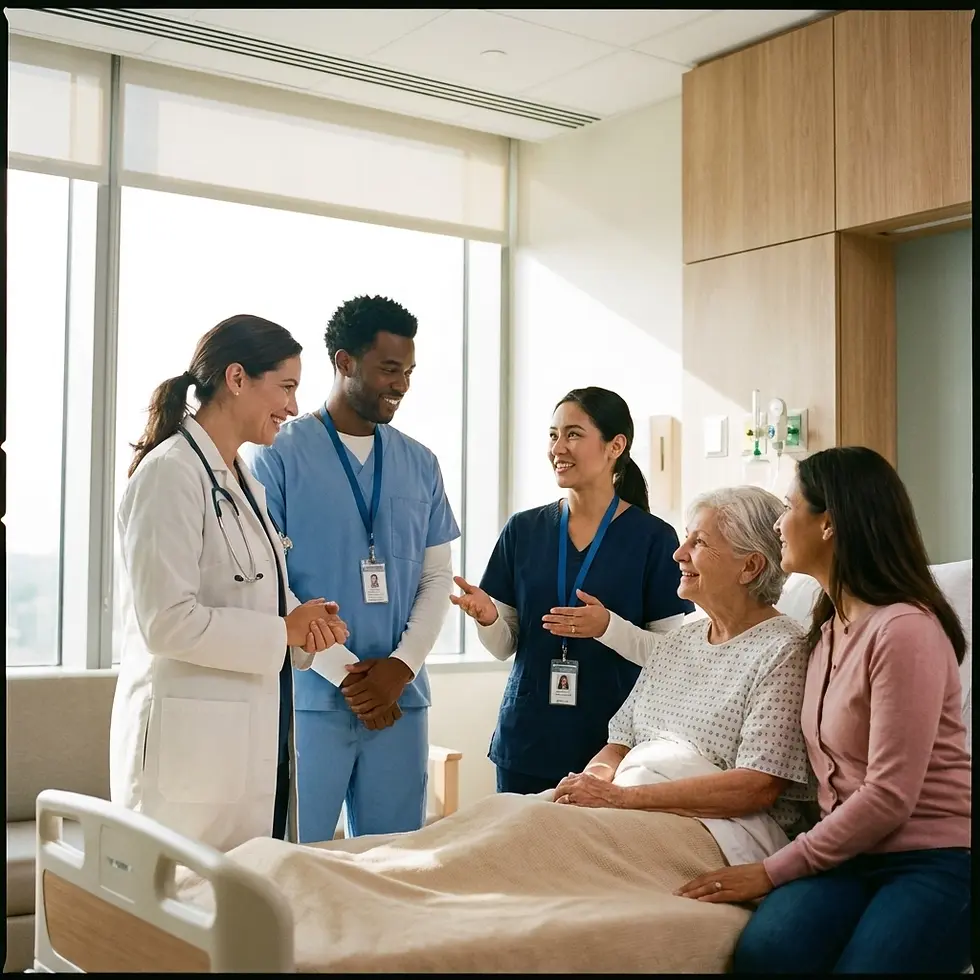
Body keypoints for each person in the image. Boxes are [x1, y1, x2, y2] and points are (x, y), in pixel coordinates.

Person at [678, 448, 972, 975]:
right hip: (847, 855)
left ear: (829, 523)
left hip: (933, 859)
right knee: (768, 955)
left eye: (789, 507)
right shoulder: (825, 630)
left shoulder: (904, 630)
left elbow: (887, 798)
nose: (778, 522)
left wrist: (771, 870)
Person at [110, 314, 351, 852]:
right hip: (187, 755)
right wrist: (282, 632)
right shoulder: (170, 472)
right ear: (237, 378)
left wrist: (307, 627)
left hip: (242, 746)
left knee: (241, 917)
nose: (293, 407)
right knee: (179, 925)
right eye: (286, 387)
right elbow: (166, 624)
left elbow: (256, 592)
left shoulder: (242, 479)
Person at [249, 295, 459, 843]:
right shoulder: (277, 454)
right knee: (297, 860)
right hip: (311, 697)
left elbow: (437, 577)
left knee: (393, 867)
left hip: (399, 698)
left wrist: (401, 667)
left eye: (409, 371)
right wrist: (348, 675)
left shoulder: (421, 463)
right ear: (344, 362)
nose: (402, 385)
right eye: (389, 369)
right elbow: (267, 578)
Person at [551, 485, 814, 866]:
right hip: (630, 807)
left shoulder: (783, 651)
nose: (679, 553)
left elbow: (756, 787)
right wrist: (591, 784)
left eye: (699, 542)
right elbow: (620, 743)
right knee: (511, 821)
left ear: (750, 566)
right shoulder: (680, 639)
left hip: (713, 830)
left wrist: (621, 800)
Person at [451, 387, 693, 795]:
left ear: (617, 445)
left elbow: (669, 658)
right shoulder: (523, 531)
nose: (558, 448)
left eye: (574, 434)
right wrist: (489, 618)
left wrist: (607, 627)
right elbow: (503, 646)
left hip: (612, 748)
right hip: (528, 739)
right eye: (552, 435)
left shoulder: (653, 538)